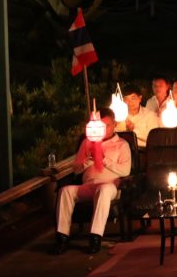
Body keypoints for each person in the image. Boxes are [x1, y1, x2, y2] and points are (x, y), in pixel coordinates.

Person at [53, 108, 131, 255]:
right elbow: (76, 169)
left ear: (114, 125)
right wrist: (87, 162)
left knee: (104, 189)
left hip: (110, 186)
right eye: (100, 126)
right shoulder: (87, 143)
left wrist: (104, 160)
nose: (103, 129)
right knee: (65, 191)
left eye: (107, 125)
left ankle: (95, 237)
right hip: (89, 185)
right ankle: (62, 237)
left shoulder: (122, 145)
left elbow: (125, 171)